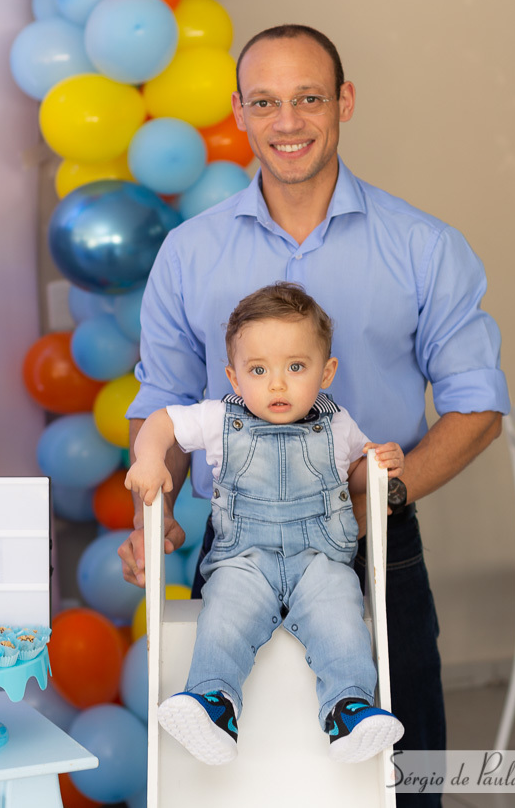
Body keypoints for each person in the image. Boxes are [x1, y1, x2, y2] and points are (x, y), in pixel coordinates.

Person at [118, 24, 510, 804]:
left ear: (344, 102)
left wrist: (377, 498)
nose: (287, 122)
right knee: (241, 774)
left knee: (405, 771)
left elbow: (478, 406)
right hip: (236, 546)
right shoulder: (188, 254)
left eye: (308, 99)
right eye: (265, 102)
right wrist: (148, 507)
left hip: (375, 543)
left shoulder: (424, 247)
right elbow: (161, 405)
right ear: (238, 110)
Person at [125, 282, 406, 765]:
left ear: (326, 372)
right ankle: (214, 704)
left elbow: (357, 473)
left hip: (320, 561)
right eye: (259, 370)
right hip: (244, 560)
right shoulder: (219, 419)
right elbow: (162, 421)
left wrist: (379, 464)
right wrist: (149, 458)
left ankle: (349, 708)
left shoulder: (337, 424)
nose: (277, 384)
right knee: (224, 616)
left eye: (296, 367)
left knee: (342, 616)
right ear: (235, 379)